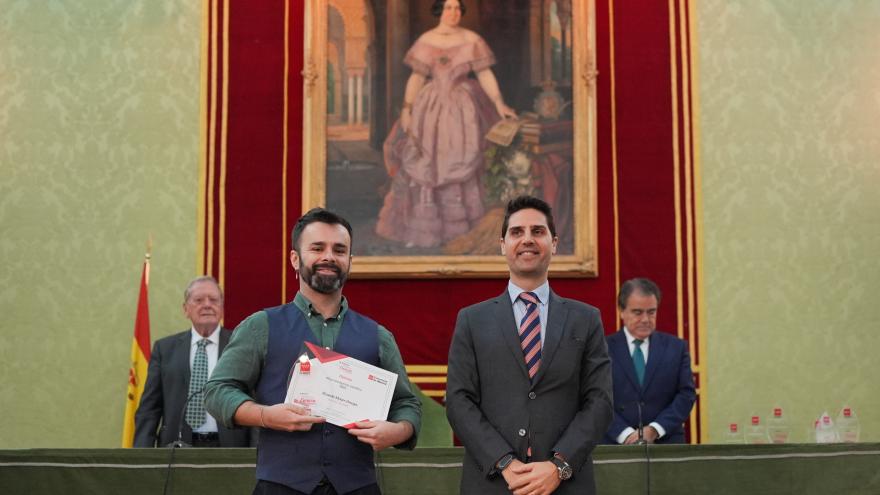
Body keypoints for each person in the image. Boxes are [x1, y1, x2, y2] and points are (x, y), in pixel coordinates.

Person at [204, 208, 421, 495]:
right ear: (295, 259)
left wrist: (398, 431)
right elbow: (218, 391)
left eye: (339, 250)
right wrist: (266, 415)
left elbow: (408, 404)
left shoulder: (378, 336)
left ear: (349, 262)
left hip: (357, 486)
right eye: (317, 248)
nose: (329, 256)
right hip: (280, 487)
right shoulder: (260, 326)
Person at [445, 196, 613, 495]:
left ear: (554, 243)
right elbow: (459, 401)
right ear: (502, 244)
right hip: (493, 482)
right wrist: (504, 462)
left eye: (538, 231)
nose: (527, 240)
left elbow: (599, 402)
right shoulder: (472, 320)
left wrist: (559, 466)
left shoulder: (586, 319)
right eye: (517, 232)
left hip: (566, 483)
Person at [376, 0, 518, 248]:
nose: (453, 13)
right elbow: (417, 77)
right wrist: (408, 109)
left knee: (461, 155)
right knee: (427, 161)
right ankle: (424, 231)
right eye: (448, 8)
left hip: (463, 108)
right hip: (429, 107)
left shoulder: (471, 39)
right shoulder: (426, 40)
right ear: (439, 11)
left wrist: (499, 103)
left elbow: (484, 74)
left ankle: (461, 229)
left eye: (457, 8)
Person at [134, 276, 252, 448]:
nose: (207, 305)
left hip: (229, 446)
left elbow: (256, 400)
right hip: (176, 448)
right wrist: (141, 458)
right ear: (185, 309)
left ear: (221, 307)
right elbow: (149, 409)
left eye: (213, 300)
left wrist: (257, 453)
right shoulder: (164, 349)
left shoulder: (240, 344)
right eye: (198, 300)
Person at [604, 278, 696, 445]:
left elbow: (686, 395)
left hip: (665, 443)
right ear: (621, 311)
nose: (646, 319)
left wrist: (655, 429)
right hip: (614, 443)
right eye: (638, 312)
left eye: (651, 312)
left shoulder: (676, 347)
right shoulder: (601, 349)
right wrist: (625, 434)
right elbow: (594, 399)